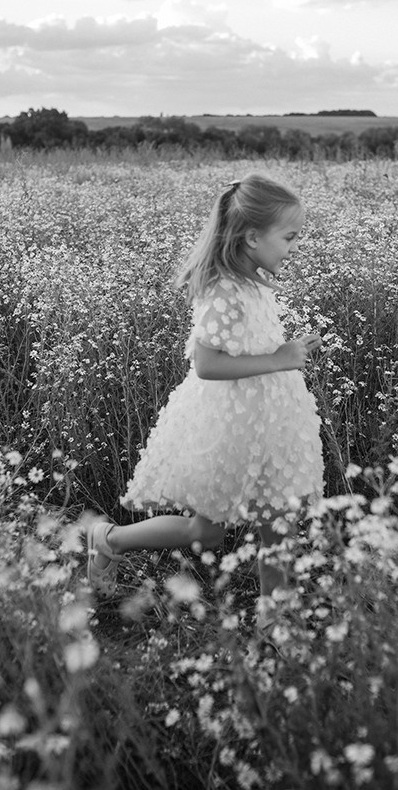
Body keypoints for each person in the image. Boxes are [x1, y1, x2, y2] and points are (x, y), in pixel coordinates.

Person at [85, 173, 324, 630]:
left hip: (269, 419)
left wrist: (285, 354)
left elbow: (249, 349)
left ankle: (277, 622)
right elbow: (207, 365)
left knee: (279, 521)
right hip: (231, 423)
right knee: (206, 531)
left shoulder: (254, 281)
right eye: (289, 237)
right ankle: (109, 539)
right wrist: (281, 358)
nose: (294, 247)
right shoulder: (224, 291)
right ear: (253, 236)